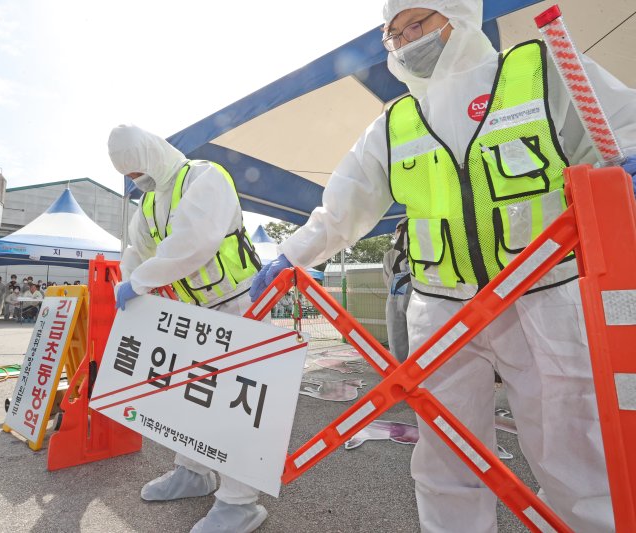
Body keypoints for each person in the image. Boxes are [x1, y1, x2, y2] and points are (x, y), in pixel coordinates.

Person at [250, 1, 636, 531]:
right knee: (445, 456)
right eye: (395, 33)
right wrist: (290, 256)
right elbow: (343, 207)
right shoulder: (396, 121)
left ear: (457, 13)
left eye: (419, 22)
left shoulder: (541, 69)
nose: (408, 39)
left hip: (543, 297)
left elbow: (624, 129)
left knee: (573, 453)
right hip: (441, 311)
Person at [109, 124, 265, 533]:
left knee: (237, 406)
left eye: (136, 170)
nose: (134, 179)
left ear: (153, 153)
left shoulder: (204, 176)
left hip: (239, 305)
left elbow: (194, 241)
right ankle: (193, 472)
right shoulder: (148, 203)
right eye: (126, 176)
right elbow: (136, 249)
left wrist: (139, 281)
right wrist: (128, 279)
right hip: (194, 313)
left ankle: (240, 503)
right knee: (190, 396)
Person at [382, 218, 412, 363]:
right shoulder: (389, 255)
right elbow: (387, 278)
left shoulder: (422, 251)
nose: (401, 232)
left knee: (417, 338)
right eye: (399, 229)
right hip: (394, 298)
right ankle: (399, 371)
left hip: (416, 299)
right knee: (396, 338)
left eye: (404, 228)